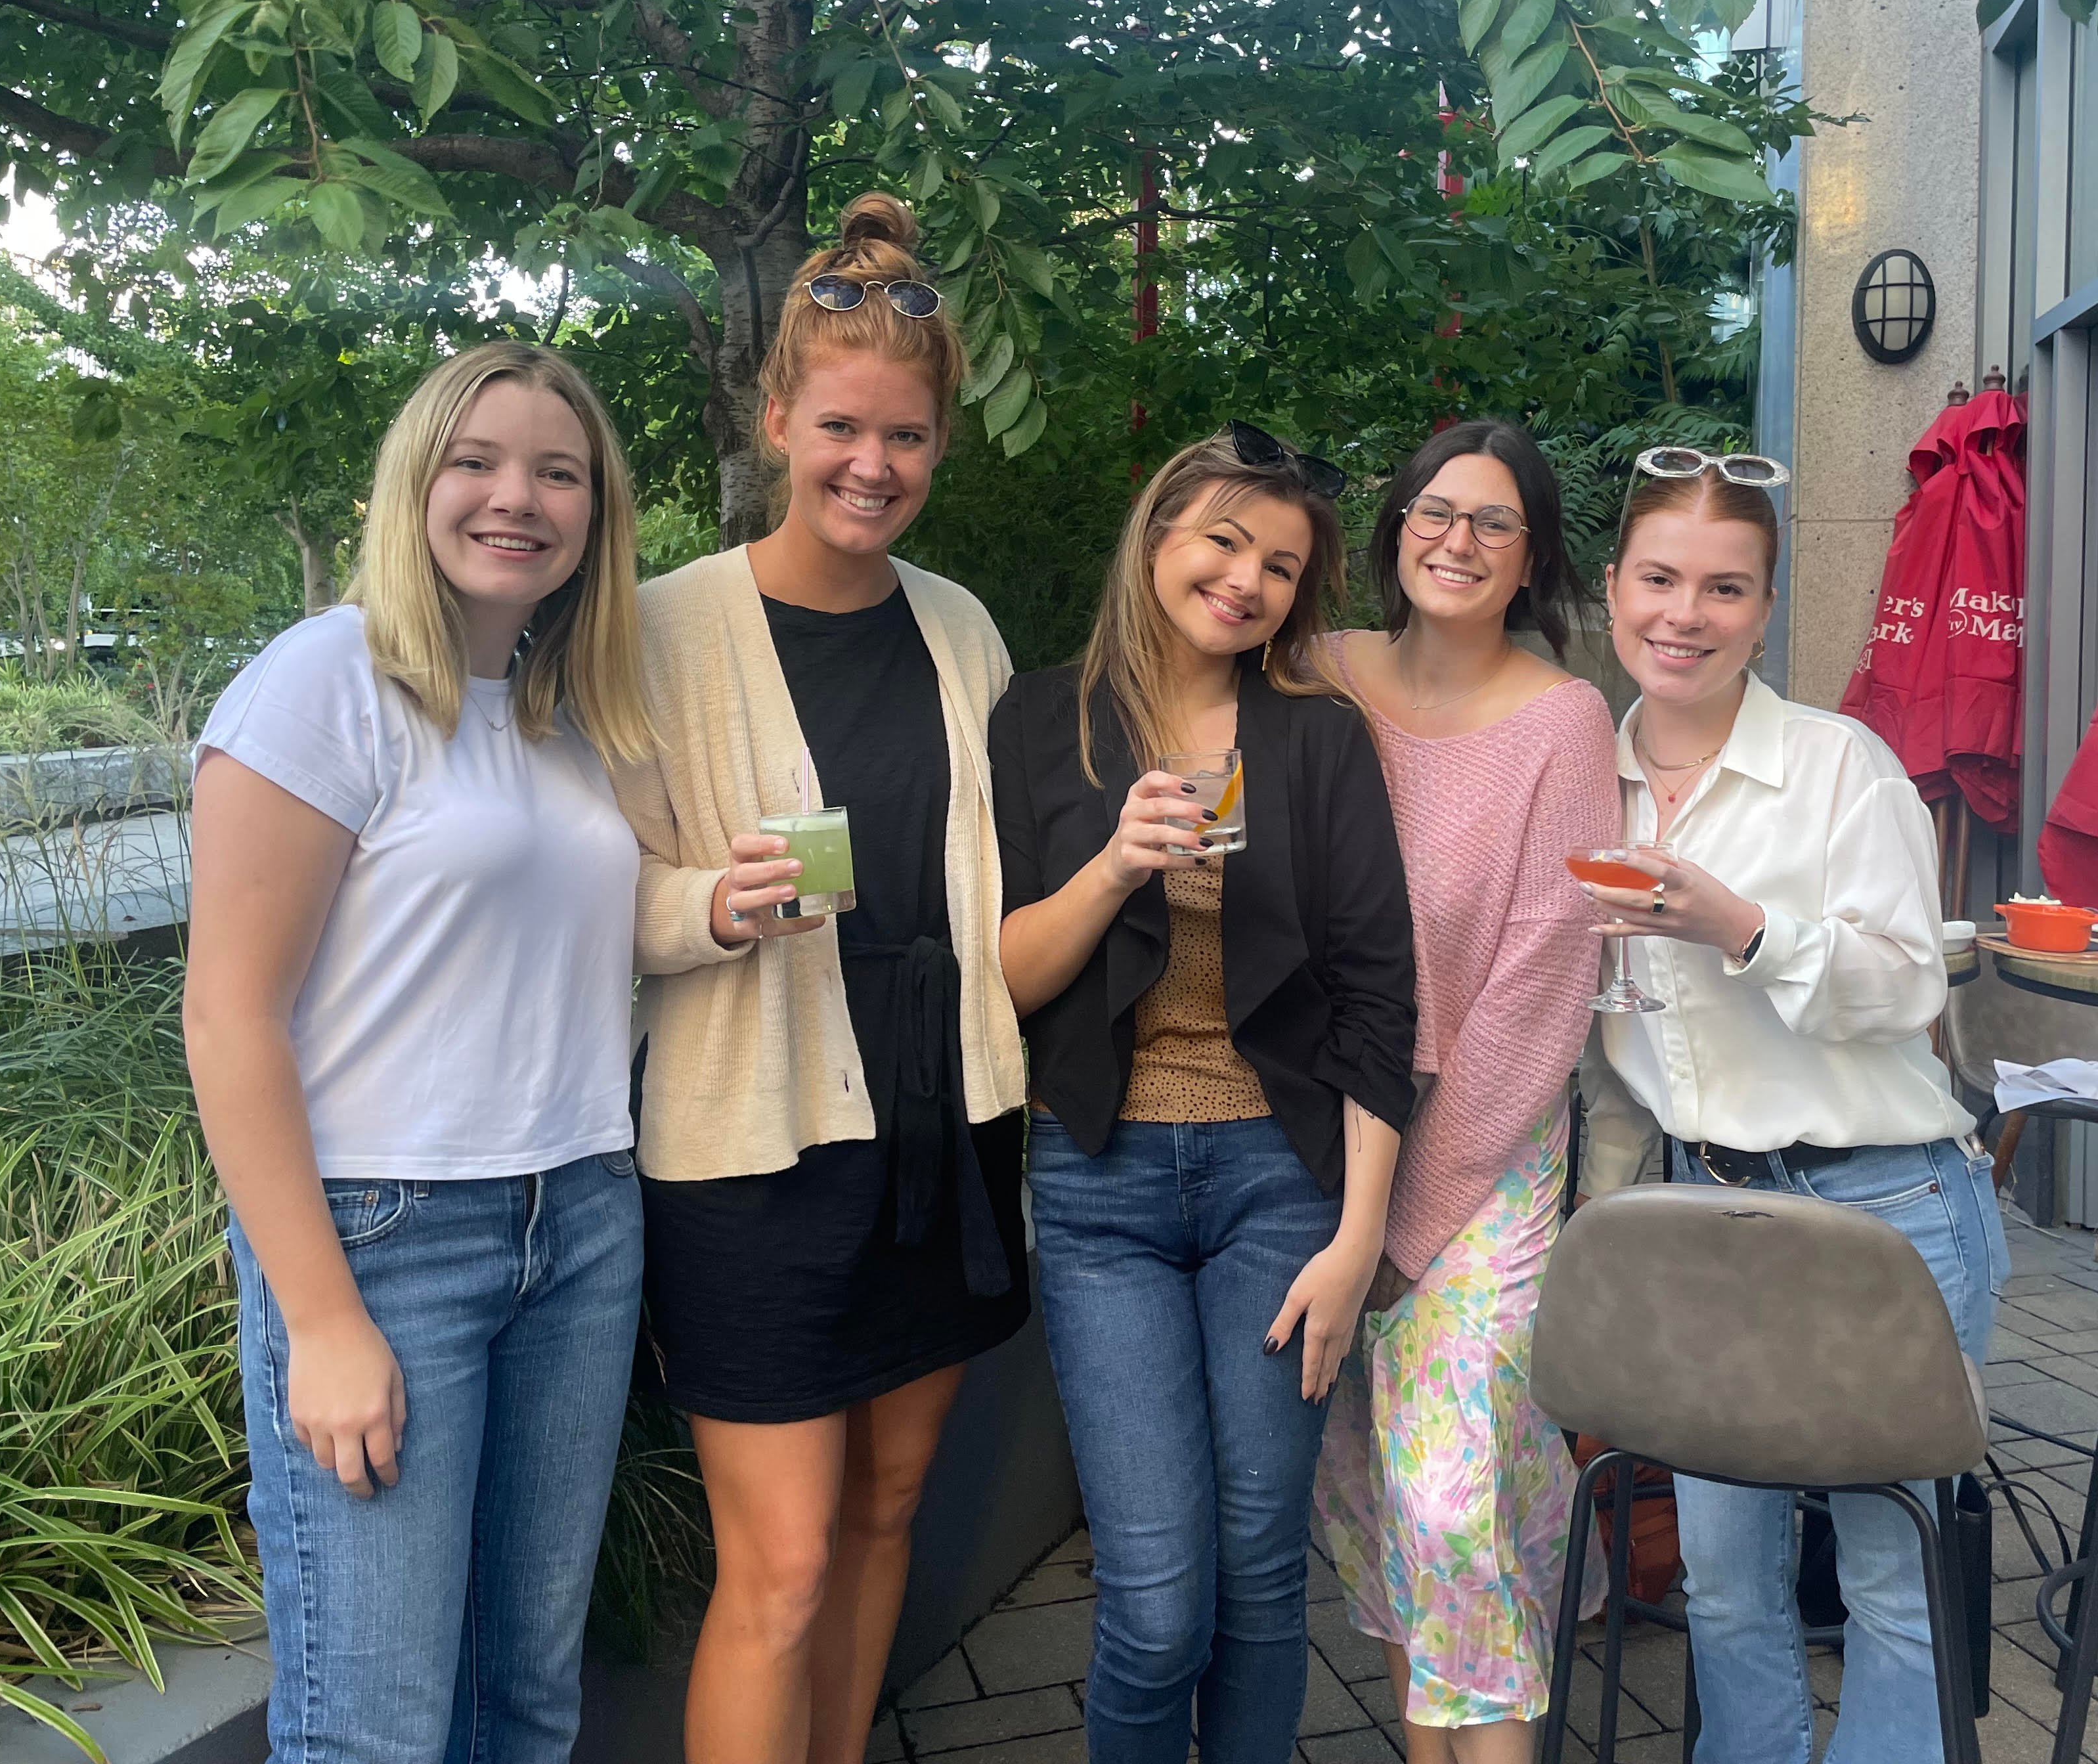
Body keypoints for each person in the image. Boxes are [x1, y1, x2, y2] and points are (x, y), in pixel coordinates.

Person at [183, 342, 655, 1764]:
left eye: (558, 473)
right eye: (479, 461)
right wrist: (322, 1322)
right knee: (376, 1729)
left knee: (526, 1697)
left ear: (595, 514)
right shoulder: (323, 681)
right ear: (417, 483)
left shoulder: (572, 710)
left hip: (578, 1220)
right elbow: (227, 1019)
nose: (519, 498)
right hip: (384, 1238)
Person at [617, 192, 1029, 1764]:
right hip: (754, 1154)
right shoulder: (663, 632)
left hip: (946, 1129)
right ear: (779, 415)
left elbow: (1005, 870)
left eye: (909, 436)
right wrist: (704, 910)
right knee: (777, 1567)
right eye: (844, 425)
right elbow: (596, 894)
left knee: (888, 1512)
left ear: (940, 445)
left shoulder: (962, 628)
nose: (876, 464)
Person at [990, 426, 1418, 1764]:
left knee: (1257, 1575)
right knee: (1159, 1597)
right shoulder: (1042, 719)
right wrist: (1116, 865)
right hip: (1099, 1180)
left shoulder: (1317, 744)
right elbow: (1004, 976)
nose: (1247, 580)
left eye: (1282, 566)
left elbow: (1375, 1002)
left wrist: (1355, 1243)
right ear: (1158, 535)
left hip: (1274, 1189)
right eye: (1223, 540)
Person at [1573, 450, 2007, 1764]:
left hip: (1885, 1208)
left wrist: (1742, 927)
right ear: (1612, 590)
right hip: (1704, 1213)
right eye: (1659, 579)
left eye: (1724, 587)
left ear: (1764, 609)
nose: (1684, 615)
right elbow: (1603, 1051)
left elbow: (1903, 986)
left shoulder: (1837, 764)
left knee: (1885, 1574)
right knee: (1720, 1575)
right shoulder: (1586, 777)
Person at [1310, 419, 1619, 1763]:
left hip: (1479, 1168)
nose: (1458, 540)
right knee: (1374, 1496)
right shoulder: (1320, 677)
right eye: (1437, 511)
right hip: (1320, 1150)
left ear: (1533, 557)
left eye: (1494, 523)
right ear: (1395, 528)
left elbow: (1541, 990)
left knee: (1458, 1504)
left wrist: (1406, 1224)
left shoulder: (1563, 720)